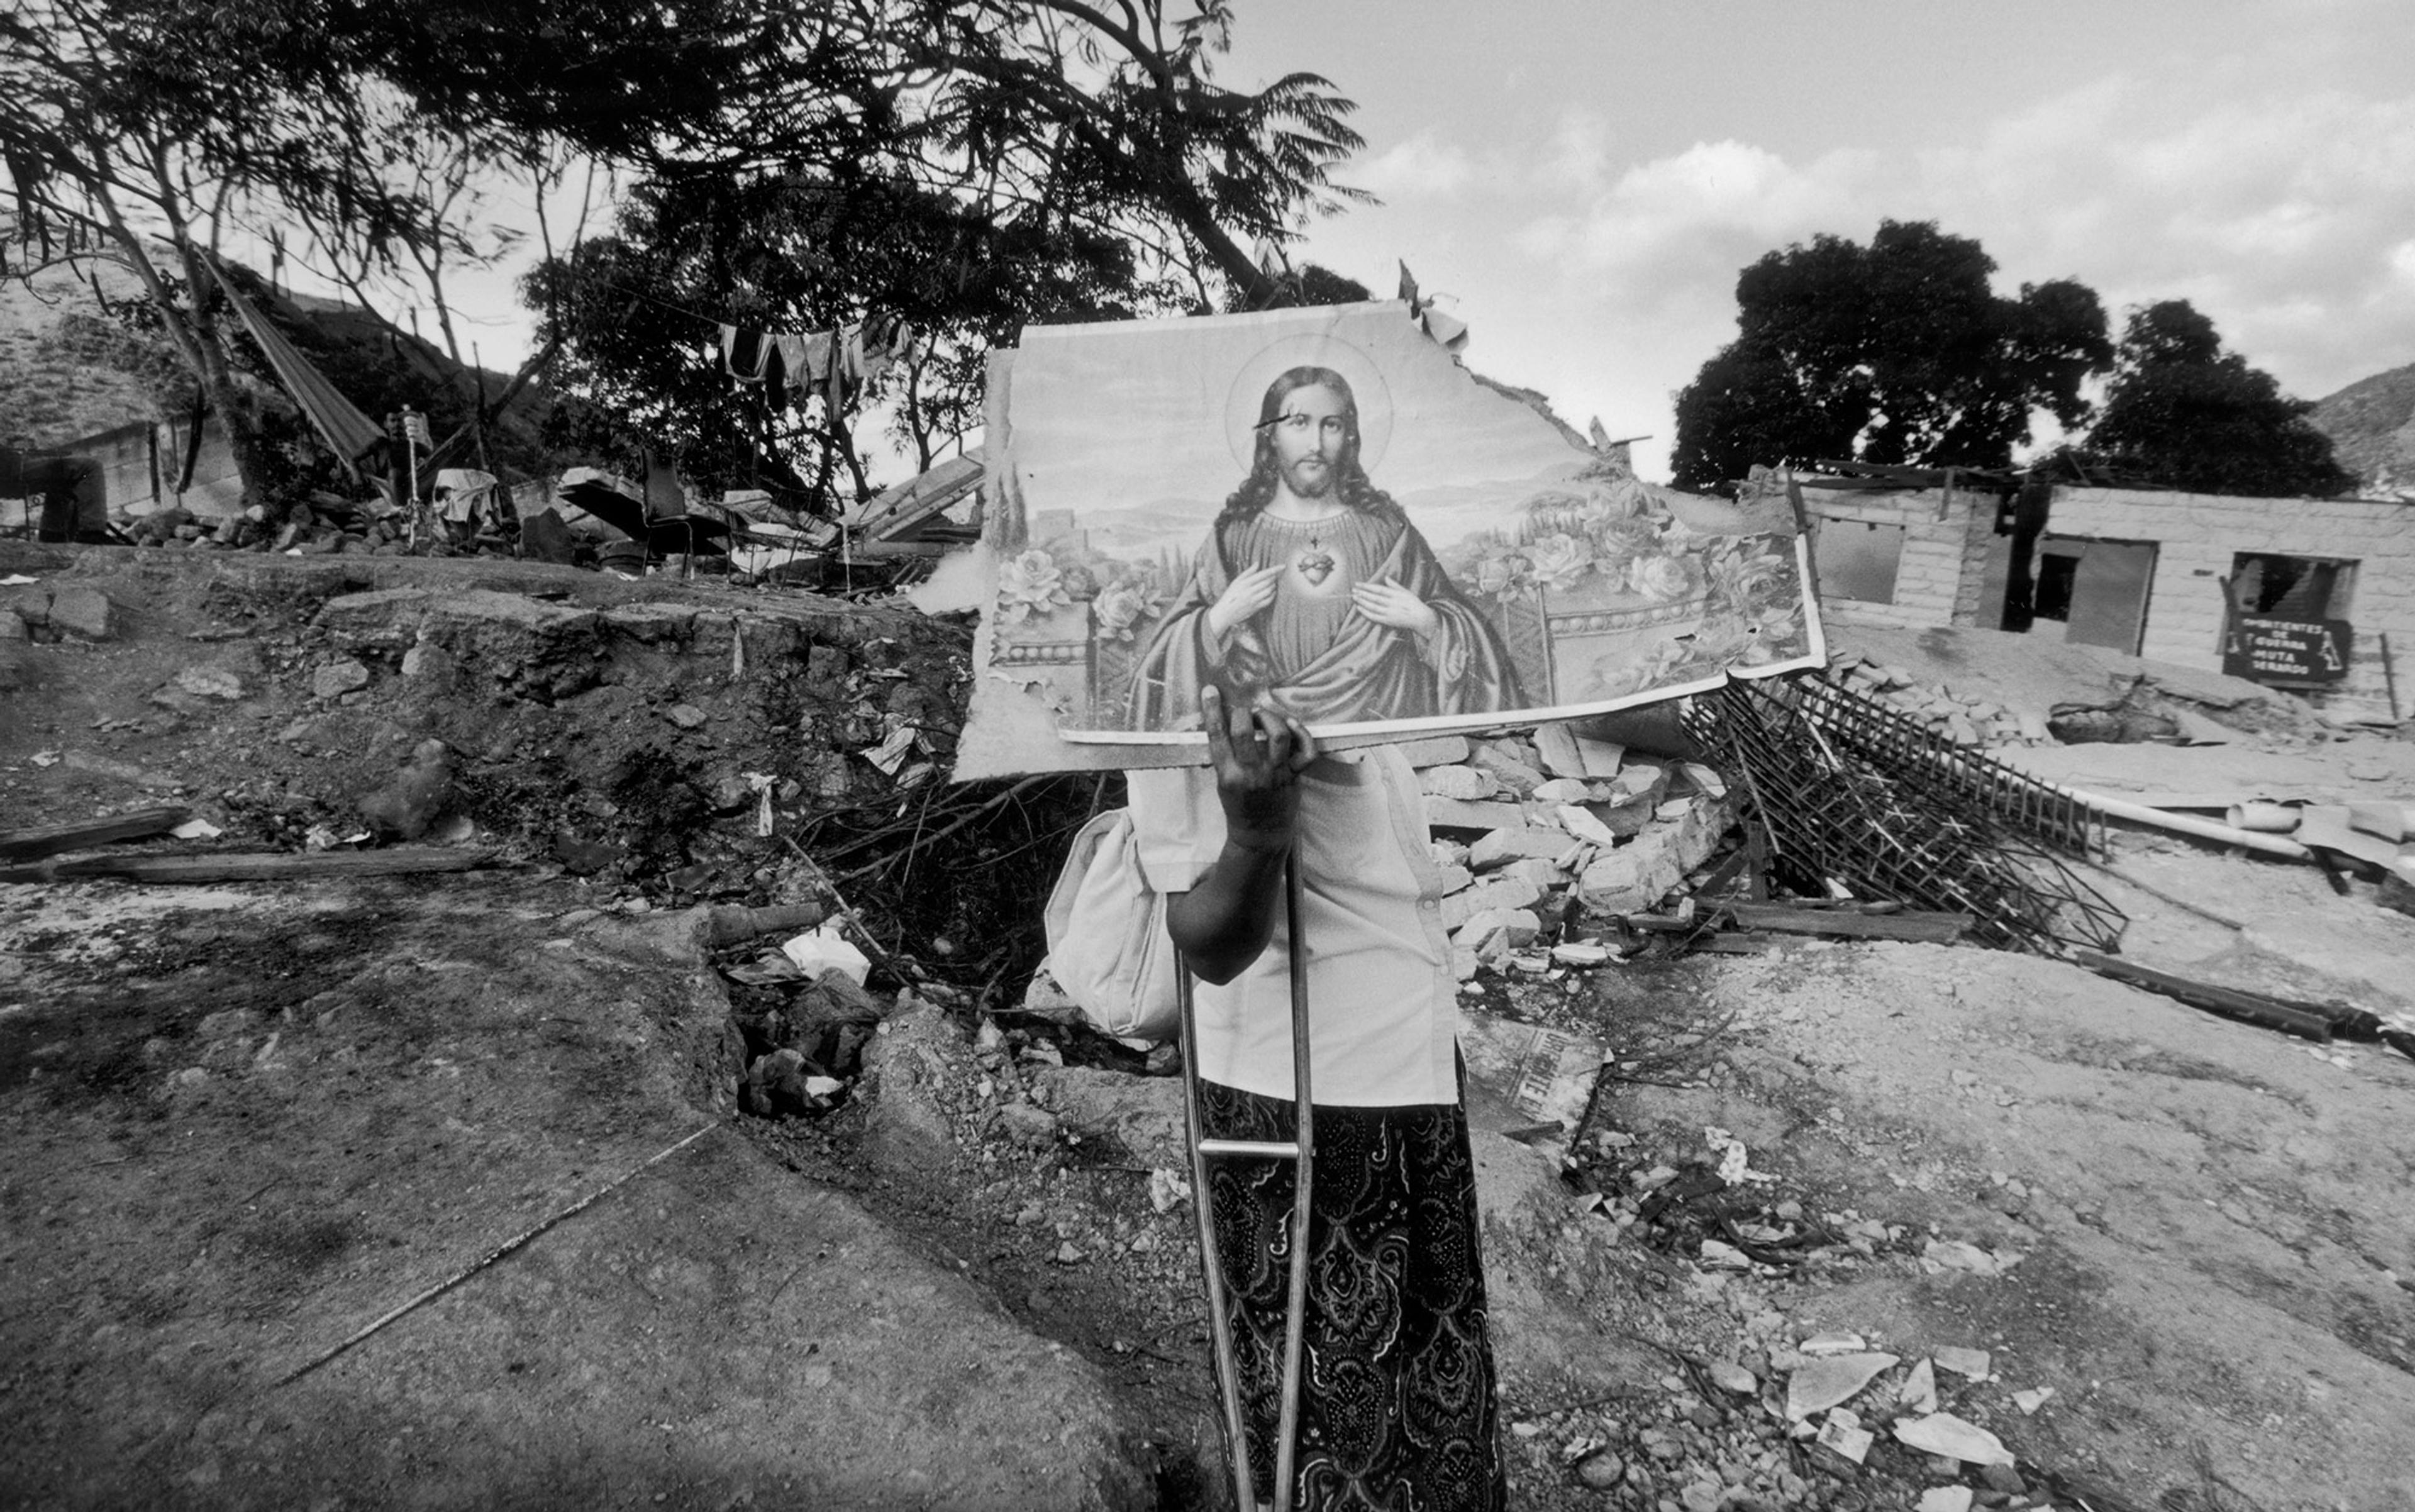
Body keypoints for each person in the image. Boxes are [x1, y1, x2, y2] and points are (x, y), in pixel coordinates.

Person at [1129, 683, 1506, 1511]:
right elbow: (1207, 942)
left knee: (1425, 1414)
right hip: (1308, 1103)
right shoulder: (1185, 683)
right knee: (1336, 1434)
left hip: (1403, 1082)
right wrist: (1258, 835)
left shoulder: (1333, 652)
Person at [1127, 366, 1525, 731]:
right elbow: (1162, 665)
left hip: (1386, 754)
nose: (1315, 443)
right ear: (1271, 433)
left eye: (1331, 425)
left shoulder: (1388, 533)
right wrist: (1220, 618)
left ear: (1349, 436)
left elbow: (1471, 641)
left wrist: (1427, 623)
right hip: (1268, 756)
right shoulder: (1232, 539)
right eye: (1299, 423)